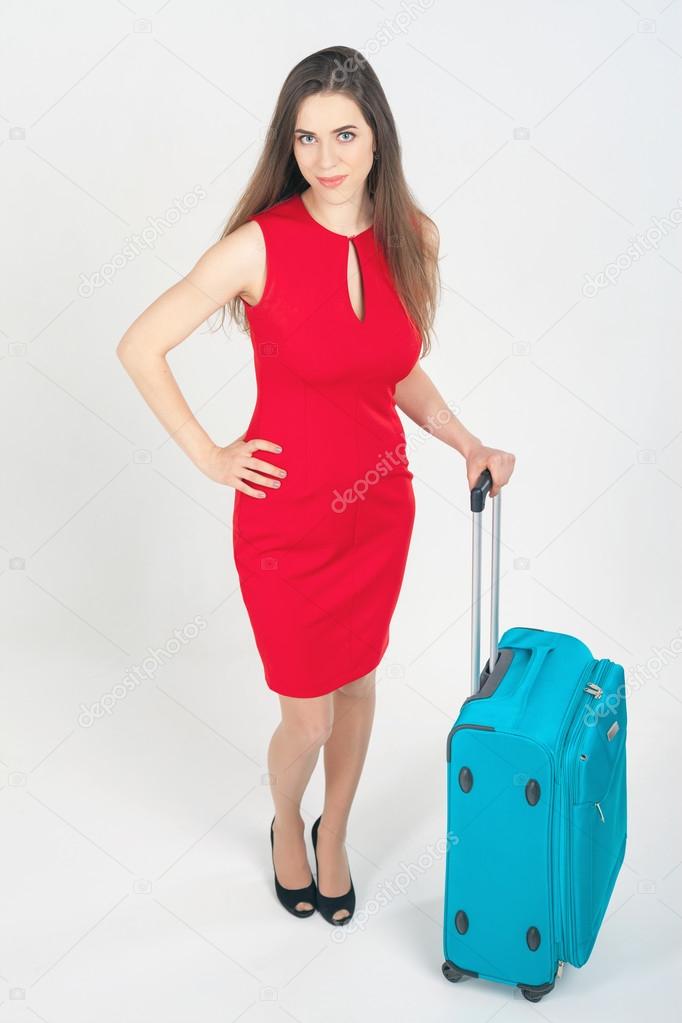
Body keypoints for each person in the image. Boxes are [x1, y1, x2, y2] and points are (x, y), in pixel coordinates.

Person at [116, 45, 516, 927]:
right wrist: (209, 453)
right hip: (286, 520)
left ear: (378, 139)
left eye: (344, 134)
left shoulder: (415, 236)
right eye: (306, 138)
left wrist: (466, 440)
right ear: (288, 145)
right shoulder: (259, 247)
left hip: (377, 510)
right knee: (307, 716)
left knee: (360, 683)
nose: (325, 158)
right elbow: (140, 344)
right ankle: (286, 823)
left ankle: (334, 833)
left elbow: (395, 373)